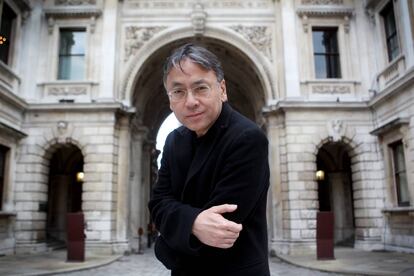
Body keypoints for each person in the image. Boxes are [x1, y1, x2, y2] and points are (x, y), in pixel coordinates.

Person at [148, 43, 270, 276]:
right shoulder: (174, 140)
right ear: (170, 99)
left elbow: (221, 228)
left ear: (222, 90)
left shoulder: (248, 138)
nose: (190, 101)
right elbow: (158, 204)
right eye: (178, 91)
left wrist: (166, 243)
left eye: (200, 88)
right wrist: (194, 223)